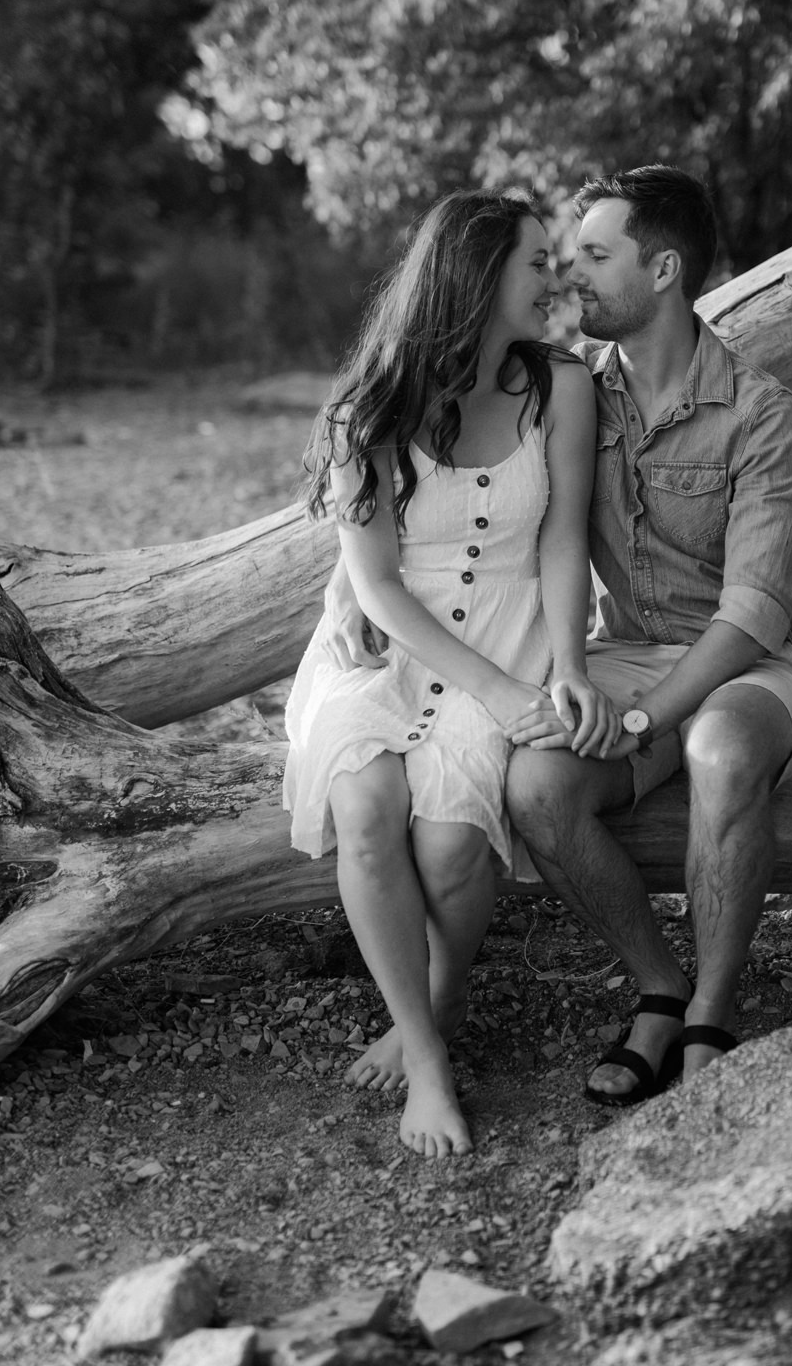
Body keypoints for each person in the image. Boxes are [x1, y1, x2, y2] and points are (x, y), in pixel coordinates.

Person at [283, 190, 616, 1159]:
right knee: (367, 803)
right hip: (392, 646)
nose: (556, 278)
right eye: (537, 262)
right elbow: (378, 589)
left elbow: (561, 545)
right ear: (475, 279)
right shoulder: (368, 409)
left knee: (450, 847)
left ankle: (436, 999)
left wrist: (567, 669)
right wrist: (499, 692)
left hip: (513, 636)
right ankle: (428, 1060)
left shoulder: (561, 387)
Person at [504, 164, 792, 1106]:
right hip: (623, 653)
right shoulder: (572, 394)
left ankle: (711, 1018)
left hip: (753, 671)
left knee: (721, 749)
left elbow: (754, 613)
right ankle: (657, 986)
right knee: (535, 783)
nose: (575, 276)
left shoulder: (760, 414)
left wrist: (645, 720)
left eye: (597, 255)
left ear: (664, 271)